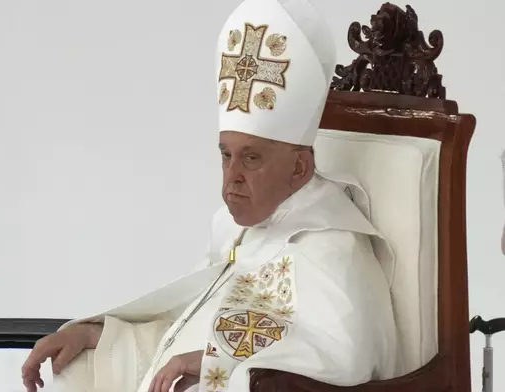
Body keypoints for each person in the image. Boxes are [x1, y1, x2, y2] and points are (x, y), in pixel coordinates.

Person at [21, 0, 402, 390]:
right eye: (226, 155)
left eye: (251, 159)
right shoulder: (241, 231)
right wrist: (94, 336)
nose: (232, 178)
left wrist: (212, 361)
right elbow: (181, 333)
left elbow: (345, 361)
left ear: (299, 168)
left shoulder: (333, 248)